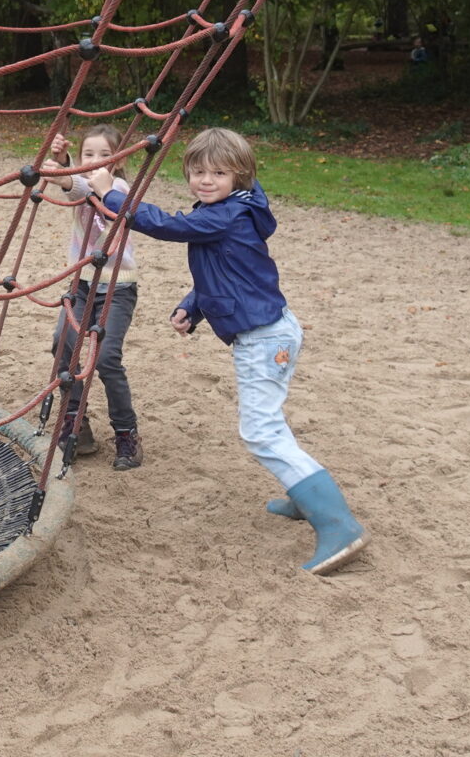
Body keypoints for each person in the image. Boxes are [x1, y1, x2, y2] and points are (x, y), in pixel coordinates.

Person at [102, 128, 367, 575]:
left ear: (240, 176)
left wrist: (111, 195)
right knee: (269, 422)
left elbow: (166, 225)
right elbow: (226, 272)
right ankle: (304, 494)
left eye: (219, 173)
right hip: (269, 331)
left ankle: (339, 526)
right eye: (198, 172)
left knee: (260, 431)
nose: (206, 181)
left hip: (264, 339)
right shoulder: (230, 210)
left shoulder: (227, 214)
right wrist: (193, 306)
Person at [39, 125, 143, 469]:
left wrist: (67, 176)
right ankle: (76, 424)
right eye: (88, 154)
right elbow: (75, 188)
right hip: (81, 283)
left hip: (117, 287)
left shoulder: (120, 190)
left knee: (106, 358)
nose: (96, 161)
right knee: (63, 343)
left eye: (105, 155)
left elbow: (88, 191)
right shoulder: (81, 185)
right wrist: (62, 163)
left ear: (118, 161)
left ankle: (126, 432)